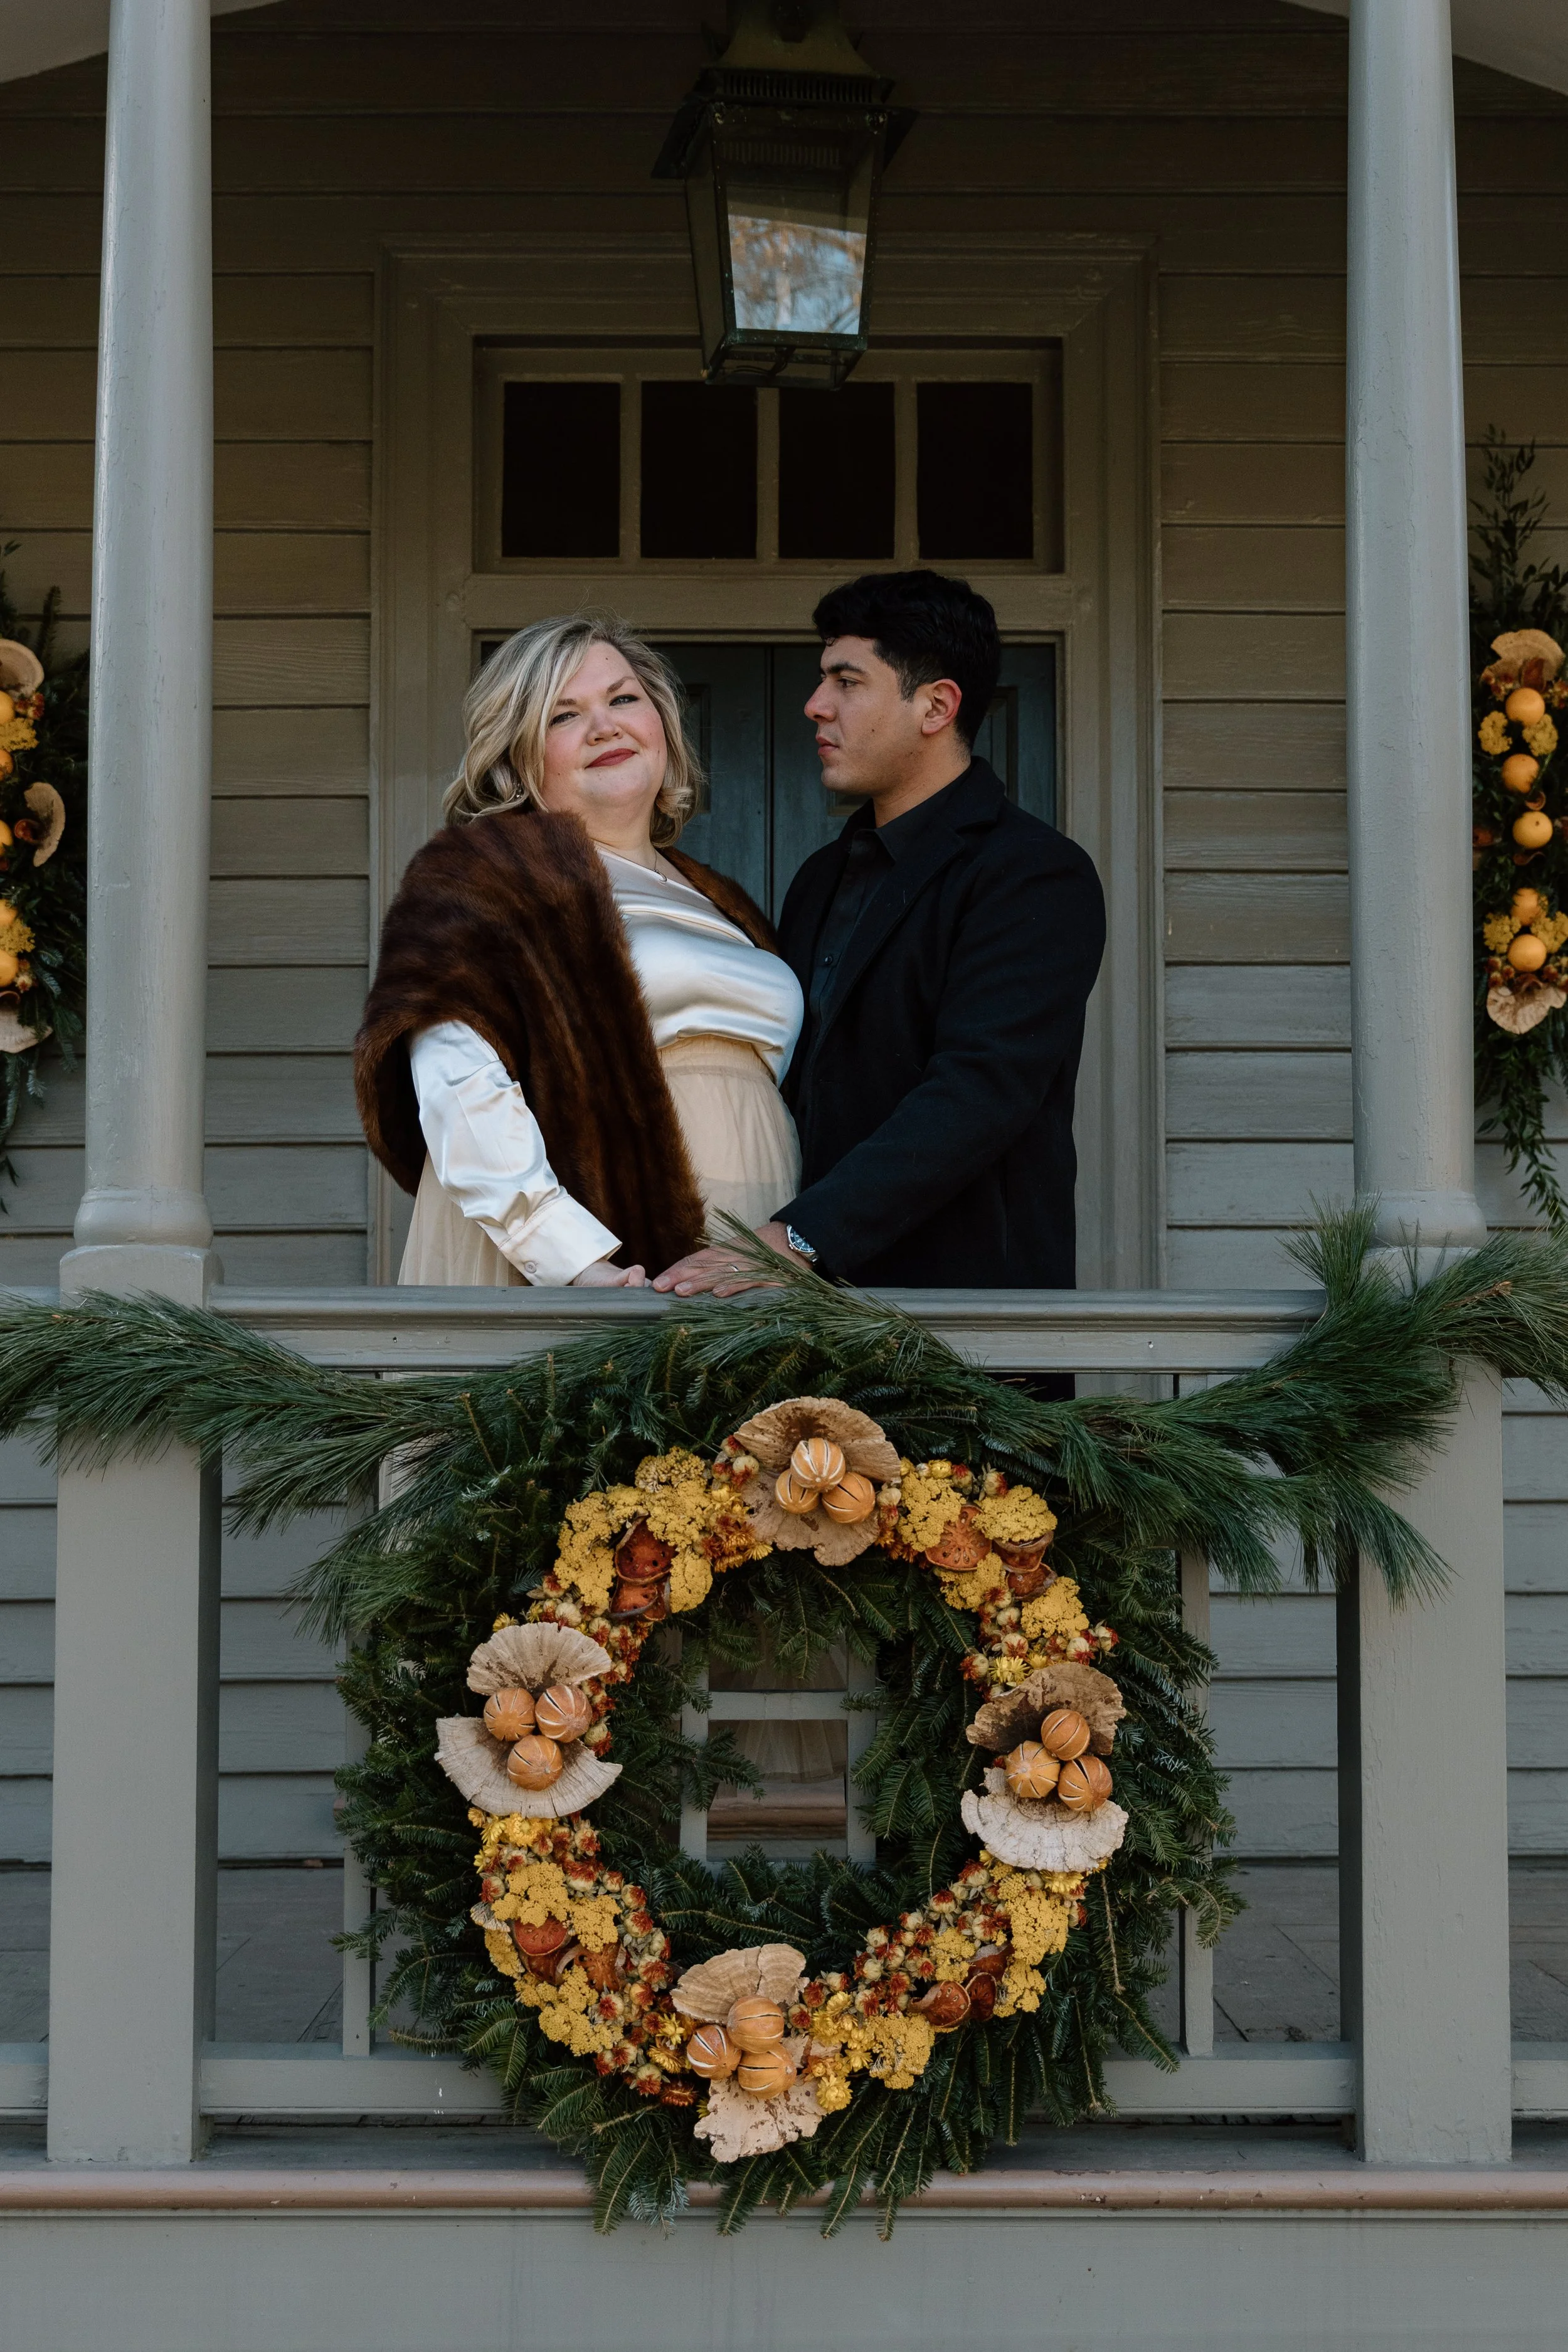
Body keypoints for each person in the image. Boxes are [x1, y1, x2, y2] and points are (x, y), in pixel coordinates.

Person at [654, 568, 1106, 1300]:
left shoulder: (1033, 873)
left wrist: (799, 1237)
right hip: (803, 1316)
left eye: (846, 681)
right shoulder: (822, 877)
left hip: (960, 1323)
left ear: (935, 705)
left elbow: (980, 1090)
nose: (814, 705)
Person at [354, 612, 802, 1292]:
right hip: (588, 1252)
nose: (604, 727)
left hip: (754, 1234)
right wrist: (573, 1263)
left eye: (623, 699)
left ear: (662, 723)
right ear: (517, 755)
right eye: (563, 716)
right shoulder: (484, 873)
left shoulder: (721, 899)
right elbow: (459, 1080)